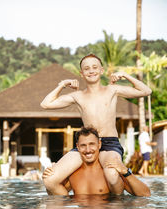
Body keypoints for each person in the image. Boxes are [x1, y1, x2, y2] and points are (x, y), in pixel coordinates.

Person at [40, 54, 152, 195]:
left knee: (111, 175)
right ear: (81, 73)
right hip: (86, 145)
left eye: (94, 67)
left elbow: (146, 91)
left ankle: (115, 206)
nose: (91, 71)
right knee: (49, 179)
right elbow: (45, 104)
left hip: (109, 143)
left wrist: (125, 75)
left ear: (101, 70)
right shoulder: (78, 96)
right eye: (86, 68)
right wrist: (62, 85)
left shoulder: (112, 90)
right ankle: (68, 207)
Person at [43, 127, 151, 197]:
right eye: (83, 146)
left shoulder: (109, 169)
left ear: (99, 145)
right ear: (77, 147)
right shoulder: (73, 173)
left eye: (92, 144)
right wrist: (48, 179)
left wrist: (126, 172)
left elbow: (145, 194)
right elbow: (55, 196)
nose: (88, 150)